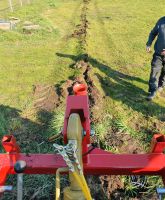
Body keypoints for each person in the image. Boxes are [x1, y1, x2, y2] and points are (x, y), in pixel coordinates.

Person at [146, 16, 165, 100]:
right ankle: (153, 91)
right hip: (158, 53)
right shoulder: (161, 21)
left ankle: (161, 84)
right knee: (155, 70)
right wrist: (149, 43)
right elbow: (153, 32)